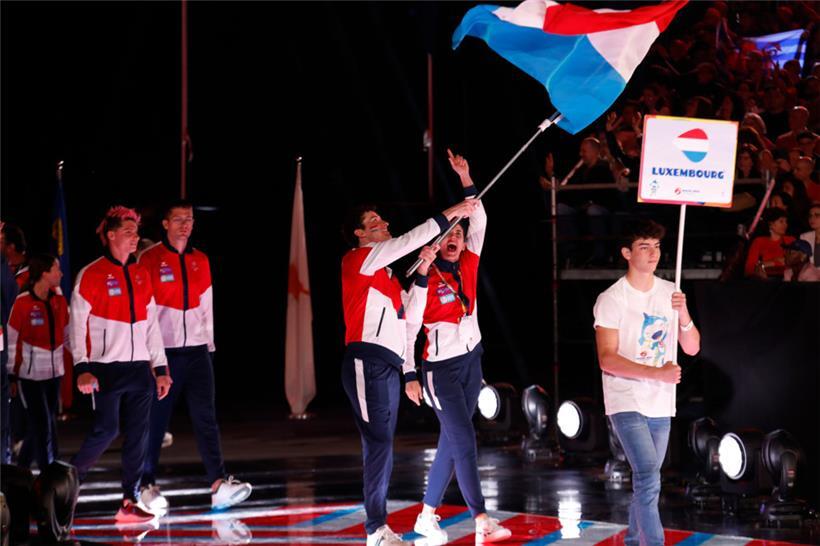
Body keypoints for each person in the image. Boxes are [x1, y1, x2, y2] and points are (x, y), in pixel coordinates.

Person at [341, 193, 477, 546]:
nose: (384, 224)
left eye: (383, 220)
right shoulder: (359, 260)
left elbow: (408, 320)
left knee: (383, 444)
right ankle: (375, 529)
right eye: (374, 223)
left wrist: (421, 269)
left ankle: (378, 527)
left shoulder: (387, 275)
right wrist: (453, 214)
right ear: (359, 234)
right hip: (365, 360)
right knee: (378, 444)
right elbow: (410, 239)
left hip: (387, 365)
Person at [403, 151, 511, 545]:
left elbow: (478, 216)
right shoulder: (423, 278)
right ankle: (481, 518)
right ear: (437, 240)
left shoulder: (469, 262)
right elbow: (409, 328)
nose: (454, 239)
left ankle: (426, 517)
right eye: (448, 234)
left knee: (452, 439)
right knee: (464, 440)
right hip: (440, 370)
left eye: (459, 235)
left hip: (472, 361)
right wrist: (409, 374)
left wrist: (466, 178)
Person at [137, 200, 251, 514]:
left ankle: (218, 484)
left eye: (189, 219)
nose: (185, 225)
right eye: (178, 219)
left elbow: (206, 305)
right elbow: (144, 313)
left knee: (206, 419)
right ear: (165, 224)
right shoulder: (149, 259)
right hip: (165, 354)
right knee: (157, 422)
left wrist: (209, 346)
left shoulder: (201, 259)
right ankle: (145, 484)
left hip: (199, 351)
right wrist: (152, 357)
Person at [593, 219, 701, 546]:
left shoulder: (670, 292)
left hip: (660, 400)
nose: (653, 253)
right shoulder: (612, 299)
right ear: (627, 252)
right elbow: (606, 358)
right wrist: (657, 373)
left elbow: (693, 347)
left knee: (646, 481)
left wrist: (683, 316)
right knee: (648, 478)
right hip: (625, 398)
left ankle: (631, 540)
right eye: (644, 246)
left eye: (656, 246)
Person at [69, 206, 172, 523]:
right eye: (128, 232)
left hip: (139, 367)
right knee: (107, 430)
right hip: (105, 368)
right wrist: (82, 367)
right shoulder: (91, 274)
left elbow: (151, 325)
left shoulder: (141, 274)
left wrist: (161, 368)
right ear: (110, 235)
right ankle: (67, 486)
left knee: (139, 434)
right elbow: (75, 325)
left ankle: (130, 499)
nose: (134, 238)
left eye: (136, 233)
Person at [6, 253, 69, 470]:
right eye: (56, 269)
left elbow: (68, 335)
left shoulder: (59, 301)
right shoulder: (22, 303)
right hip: (29, 377)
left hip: (54, 375)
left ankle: (21, 470)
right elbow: (12, 341)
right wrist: (11, 375)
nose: (61, 273)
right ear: (44, 273)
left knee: (41, 424)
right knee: (43, 426)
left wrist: (85, 364)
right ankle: (47, 474)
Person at [745, 208, 795, 278]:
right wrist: (775, 262)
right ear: (770, 224)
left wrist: (767, 264)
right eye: (781, 221)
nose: (785, 224)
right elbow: (749, 268)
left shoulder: (790, 240)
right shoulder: (759, 241)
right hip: (763, 281)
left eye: (786, 222)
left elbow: (795, 263)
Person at [800, 202, 820, 267]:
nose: (812, 218)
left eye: (817, 215)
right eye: (810, 216)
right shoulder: (804, 237)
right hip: (811, 274)